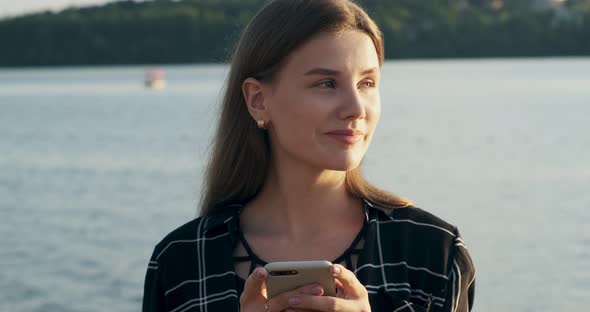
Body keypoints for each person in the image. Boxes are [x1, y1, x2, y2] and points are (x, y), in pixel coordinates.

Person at [142, 0, 476, 311]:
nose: (356, 109)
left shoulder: (433, 253)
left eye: (368, 83)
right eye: (327, 84)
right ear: (258, 100)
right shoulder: (181, 262)